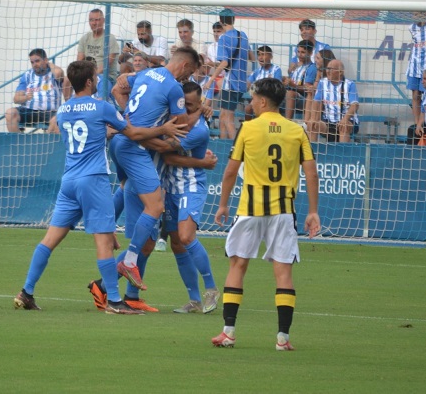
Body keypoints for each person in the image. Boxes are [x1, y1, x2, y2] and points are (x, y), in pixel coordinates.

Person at [14, 60, 187, 314]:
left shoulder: (62, 111)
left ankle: (26, 291)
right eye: (95, 77)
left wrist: (106, 134)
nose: (97, 81)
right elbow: (134, 134)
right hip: (93, 179)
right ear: (88, 82)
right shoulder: (102, 107)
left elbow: (87, 136)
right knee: (104, 243)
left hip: (69, 181)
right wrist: (163, 128)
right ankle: (115, 302)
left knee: (49, 240)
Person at [212, 77, 320, 350]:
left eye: (253, 99)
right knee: (283, 272)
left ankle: (228, 332)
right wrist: (313, 211)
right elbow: (311, 172)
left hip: (250, 209)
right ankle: (283, 339)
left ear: (262, 101)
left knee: (238, 265)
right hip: (284, 211)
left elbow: (230, 171)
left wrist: (223, 205)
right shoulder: (296, 130)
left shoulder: (248, 128)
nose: (251, 103)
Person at [108, 47, 200, 299]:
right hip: (134, 148)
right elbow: (180, 128)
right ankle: (124, 263)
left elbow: (118, 87)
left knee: (133, 199)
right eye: (190, 72)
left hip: (119, 143)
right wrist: (199, 112)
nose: (188, 78)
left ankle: (123, 292)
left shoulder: (147, 74)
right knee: (155, 207)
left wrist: (133, 124)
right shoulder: (173, 88)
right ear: (183, 66)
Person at [162, 82, 221, 314]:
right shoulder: (174, 119)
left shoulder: (199, 131)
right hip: (170, 187)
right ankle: (194, 300)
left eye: (190, 106)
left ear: (199, 106)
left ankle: (211, 289)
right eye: (181, 106)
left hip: (191, 186)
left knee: (186, 237)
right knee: (176, 243)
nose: (184, 111)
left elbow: (168, 157)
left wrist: (202, 164)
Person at [203, 10, 251, 139]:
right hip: (241, 82)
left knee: (228, 118)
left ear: (221, 21)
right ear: (234, 20)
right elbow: (252, 57)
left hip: (231, 82)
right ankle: (223, 145)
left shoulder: (224, 38)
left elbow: (224, 62)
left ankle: (234, 150)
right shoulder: (243, 36)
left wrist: (211, 79)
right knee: (223, 116)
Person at [5, 48, 67, 133]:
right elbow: (16, 99)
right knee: (10, 113)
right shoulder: (27, 75)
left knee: (58, 120)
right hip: (29, 111)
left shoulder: (53, 73)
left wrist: (48, 64)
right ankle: (18, 144)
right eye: (32, 62)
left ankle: (49, 143)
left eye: (37, 61)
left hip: (50, 112)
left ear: (45, 60)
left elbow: (59, 73)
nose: (34, 64)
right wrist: (26, 97)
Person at [308, 59, 360, 143]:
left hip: (347, 120)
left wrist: (345, 119)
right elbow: (316, 102)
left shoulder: (350, 84)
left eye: (330, 69)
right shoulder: (322, 83)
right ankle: (311, 154)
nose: (327, 71)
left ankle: (343, 155)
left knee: (344, 126)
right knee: (313, 124)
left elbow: (355, 105)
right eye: (327, 69)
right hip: (328, 121)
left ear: (340, 72)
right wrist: (313, 118)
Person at [76, 8, 119, 83]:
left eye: (97, 20)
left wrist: (92, 75)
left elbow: (107, 64)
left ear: (103, 20)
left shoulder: (110, 38)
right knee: (67, 80)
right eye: (91, 20)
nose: (94, 23)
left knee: (99, 81)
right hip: (87, 75)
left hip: (106, 77)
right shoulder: (84, 38)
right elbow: (79, 61)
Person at [244, 45, 283, 120]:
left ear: (270, 56)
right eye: (259, 55)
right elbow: (248, 84)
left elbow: (277, 85)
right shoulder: (256, 71)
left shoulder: (276, 69)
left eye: (263, 54)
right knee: (248, 109)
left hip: (270, 99)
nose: (260, 57)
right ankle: (249, 128)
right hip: (258, 99)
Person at [283, 40, 318, 120]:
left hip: (305, 100)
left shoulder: (312, 68)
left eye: (303, 52)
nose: (299, 55)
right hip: (291, 94)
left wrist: (293, 86)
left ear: (310, 53)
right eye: (298, 52)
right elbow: (291, 81)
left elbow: (307, 88)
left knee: (291, 94)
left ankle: (288, 122)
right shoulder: (296, 66)